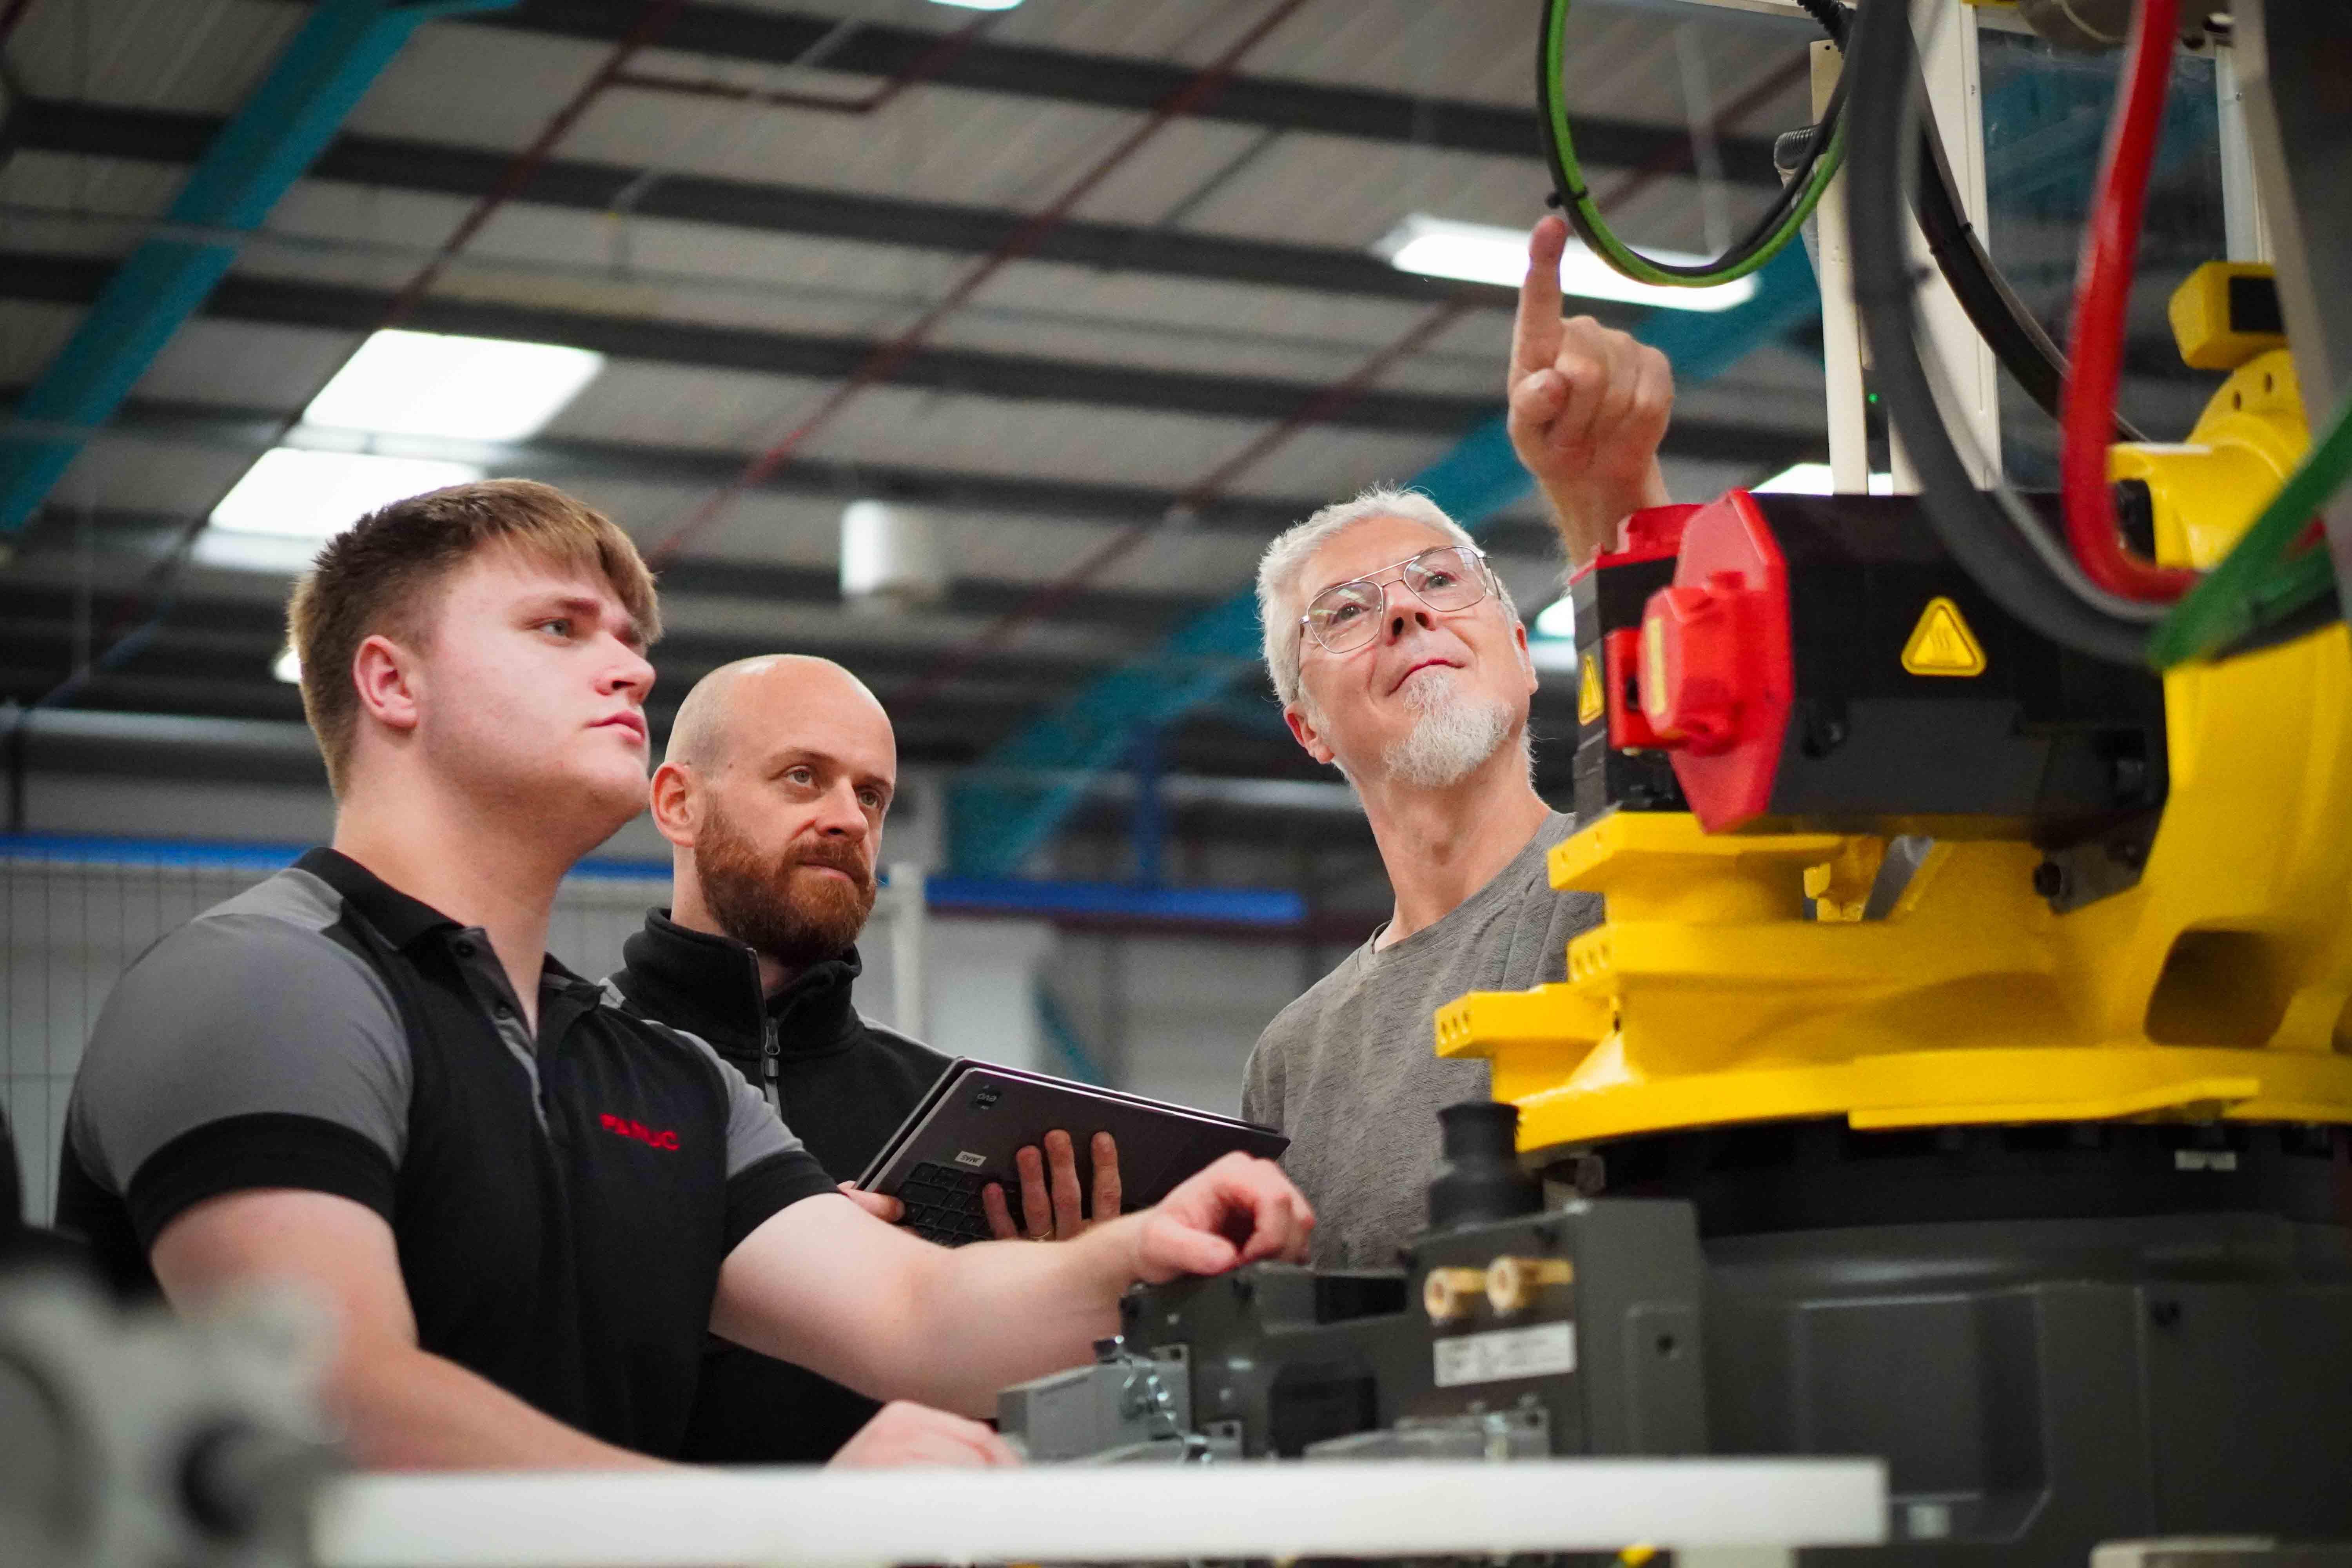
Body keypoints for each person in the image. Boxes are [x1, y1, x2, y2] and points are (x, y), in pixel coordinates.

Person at [54, 479, 1312, 1470]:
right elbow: (336, 1402)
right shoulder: (267, 983)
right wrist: (768, 1528)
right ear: (391, 681)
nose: (633, 669)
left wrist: (1148, 1246)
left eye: (630, 640)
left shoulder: (660, 1078)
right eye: (559, 628)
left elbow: (919, 1316)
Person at [1240, 216, 1675, 1269]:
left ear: (1523, 657)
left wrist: (1603, 492)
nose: (1406, 612)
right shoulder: (1293, 1059)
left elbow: (1687, 762)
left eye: (1441, 581)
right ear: (1307, 727)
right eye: (1344, 612)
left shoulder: (1625, 869)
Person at [608, 653, 1123, 1462]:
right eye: (804, 776)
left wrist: (1056, 1298)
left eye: (871, 794)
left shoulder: (944, 1111)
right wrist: (775, 1270)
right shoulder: (571, 1069)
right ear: (679, 802)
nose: (849, 817)